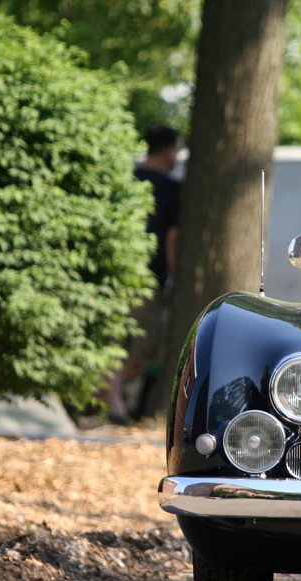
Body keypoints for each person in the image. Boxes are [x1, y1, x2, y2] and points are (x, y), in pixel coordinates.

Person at [98, 124, 181, 423]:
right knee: (146, 344)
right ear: (170, 149)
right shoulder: (173, 188)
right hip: (147, 278)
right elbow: (172, 237)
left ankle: (108, 394)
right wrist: (174, 276)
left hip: (116, 271)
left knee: (121, 343)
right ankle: (113, 398)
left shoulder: (126, 179)